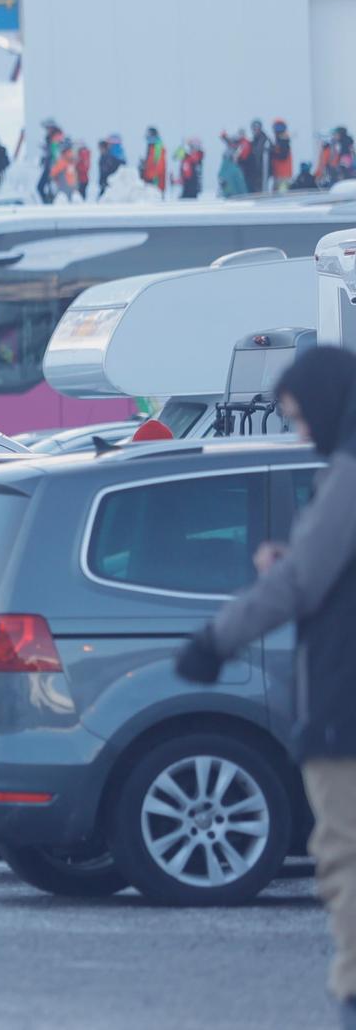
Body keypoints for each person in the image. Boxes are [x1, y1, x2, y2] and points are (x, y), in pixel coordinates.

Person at [175, 347, 356, 1024]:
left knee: (345, 862)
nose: (302, 434)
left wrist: (216, 639)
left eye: (301, 417)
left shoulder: (351, 470)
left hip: (345, 706)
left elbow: (300, 582)